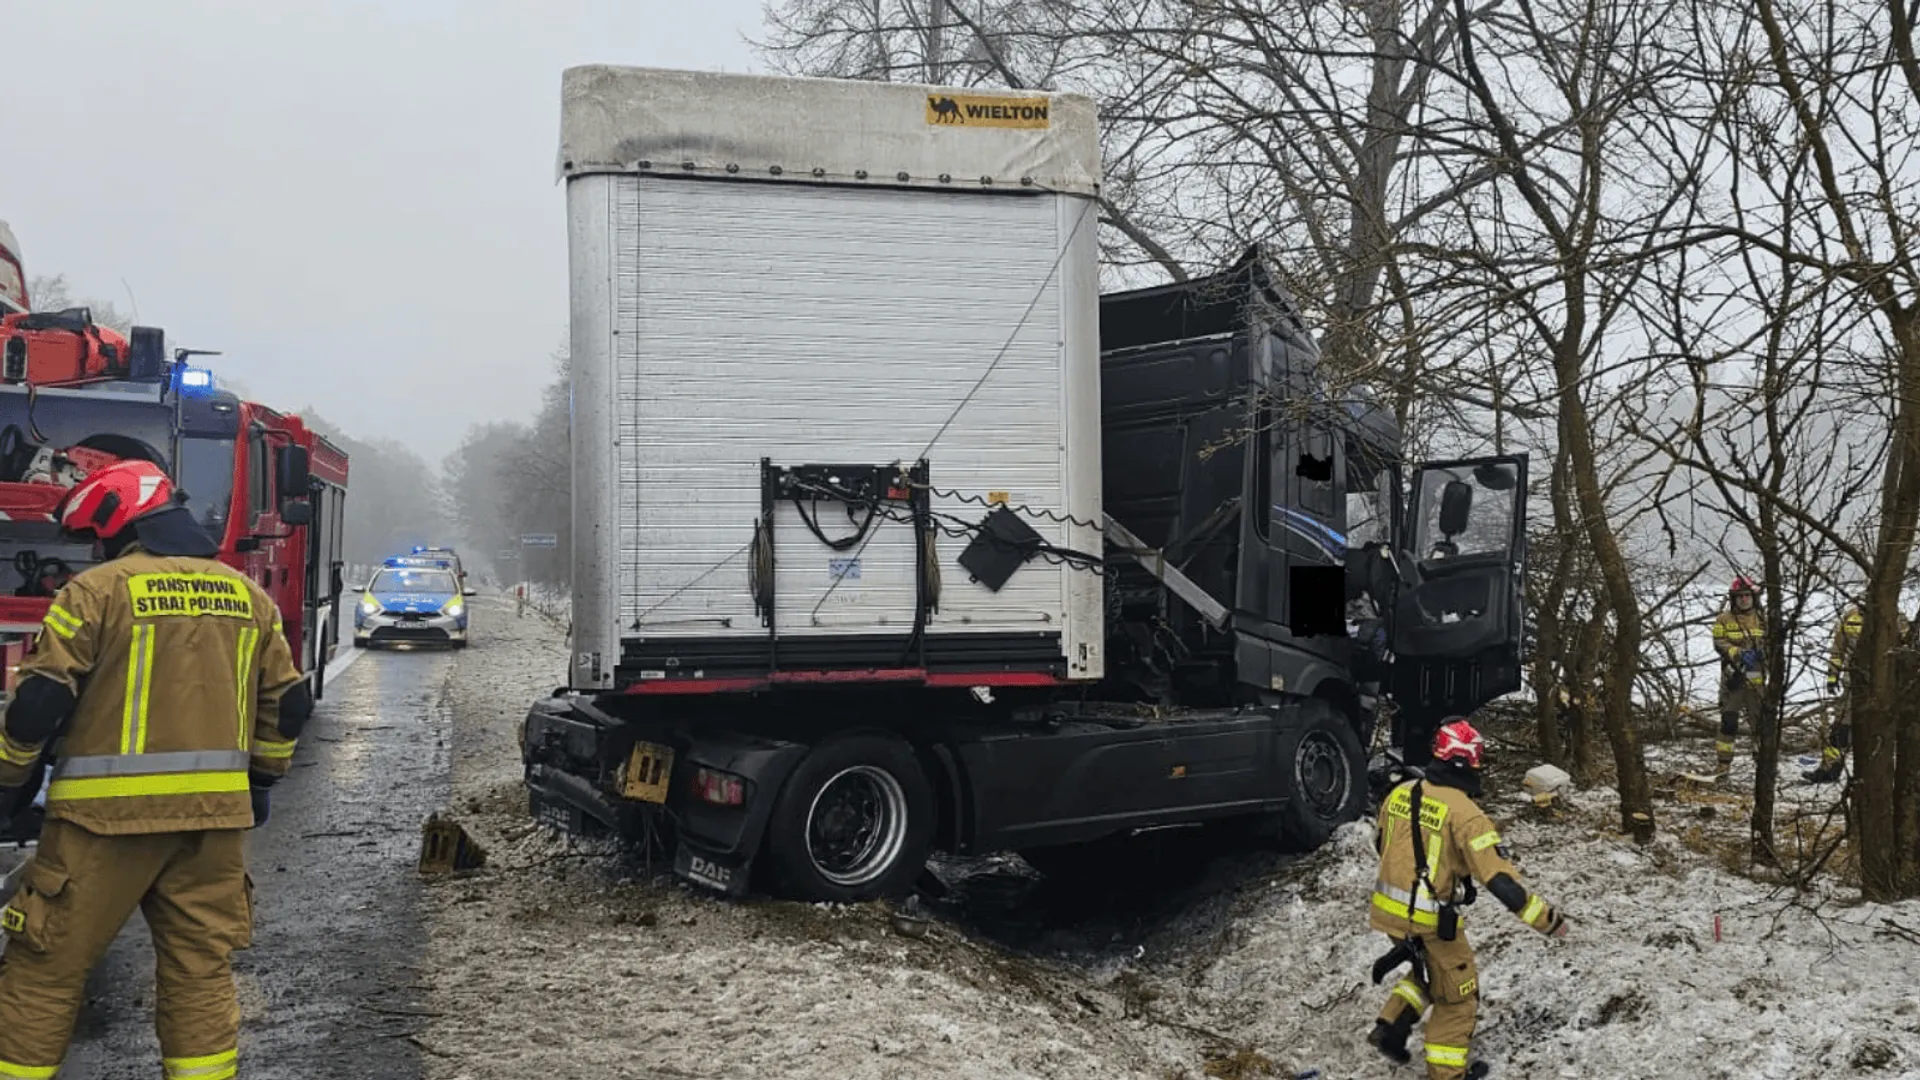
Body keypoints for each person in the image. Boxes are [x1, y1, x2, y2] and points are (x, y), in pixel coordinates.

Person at [0, 460, 310, 1080]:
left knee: (45, 971)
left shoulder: (96, 592)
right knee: (200, 972)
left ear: (122, 524)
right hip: (213, 829)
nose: (97, 550)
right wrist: (263, 779)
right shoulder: (247, 596)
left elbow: (38, 705)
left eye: (99, 537)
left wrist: (9, 783)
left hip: (100, 825)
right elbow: (289, 702)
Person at [1367, 718, 1568, 1080]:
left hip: (1387, 911)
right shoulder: (1467, 815)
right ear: (1468, 761)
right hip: (1428, 920)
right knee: (1459, 994)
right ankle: (1447, 1074)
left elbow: (1381, 843)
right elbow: (1501, 881)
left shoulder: (1402, 792)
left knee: (1428, 971)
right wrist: (1548, 920)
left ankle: (1391, 1028)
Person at [1709, 576, 1766, 771]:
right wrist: (1737, 653)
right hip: (1732, 676)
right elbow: (1719, 642)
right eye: (1739, 596)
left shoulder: (1763, 618)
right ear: (1733, 598)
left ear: (1754, 597)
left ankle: (1762, 761)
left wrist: (1763, 652)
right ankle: (1723, 764)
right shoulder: (1723, 619)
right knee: (1728, 721)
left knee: (1759, 722)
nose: (1743, 600)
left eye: (1747, 595)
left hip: (1756, 679)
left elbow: (1773, 643)